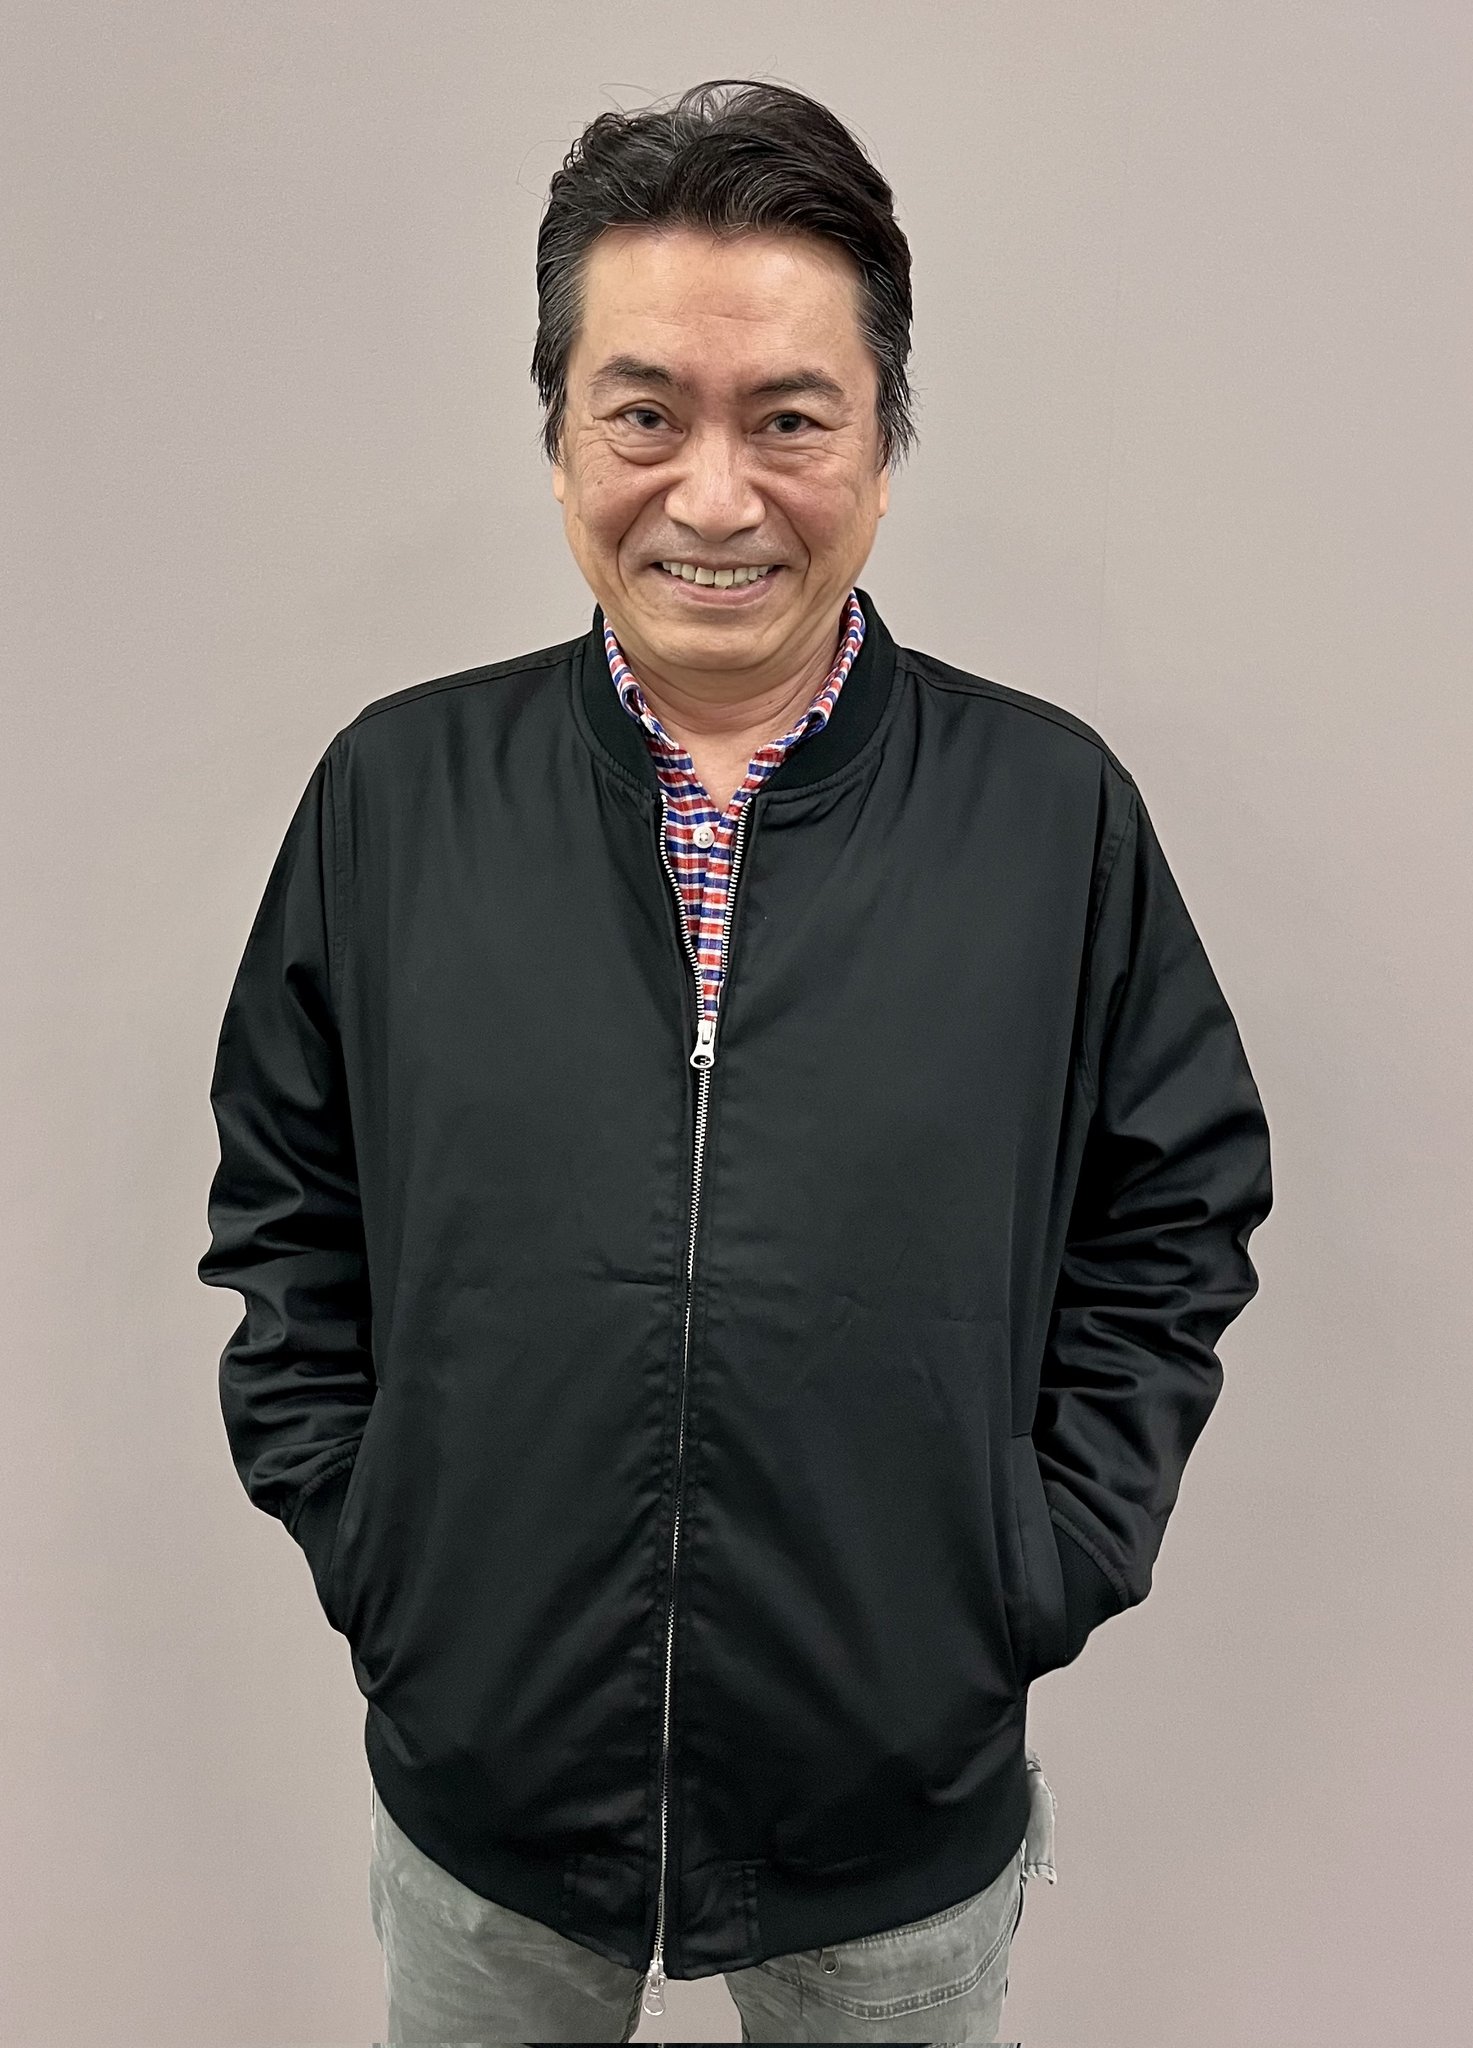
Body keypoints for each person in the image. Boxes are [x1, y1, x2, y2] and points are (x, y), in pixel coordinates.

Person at [197, 77, 1273, 2045]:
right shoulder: (395, 796)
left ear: (879, 446)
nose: (711, 497)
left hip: (892, 1821)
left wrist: (1029, 1566)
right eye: (643, 416)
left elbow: (1175, 1207)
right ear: (556, 439)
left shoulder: (1047, 816)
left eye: (788, 418)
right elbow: (284, 1195)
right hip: (486, 1807)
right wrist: (385, 1549)